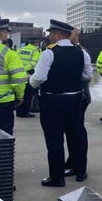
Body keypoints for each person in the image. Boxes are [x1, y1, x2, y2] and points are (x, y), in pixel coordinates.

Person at [30, 20, 92, 187]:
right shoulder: (82, 53)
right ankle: (80, 171)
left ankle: (57, 178)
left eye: (51, 33)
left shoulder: (49, 53)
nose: (49, 36)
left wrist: (31, 83)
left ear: (57, 34)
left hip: (52, 101)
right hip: (75, 100)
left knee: (54, 139)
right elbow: (87, 75)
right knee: (77, 135)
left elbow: (39, 77)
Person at [0, 19, 27, 135]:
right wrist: (20, 96)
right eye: (6, 32)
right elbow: (19, 80)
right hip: (2, 106)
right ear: (1, 33)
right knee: (1, 143)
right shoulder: (9, 53)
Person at [64, 28, 91, 178]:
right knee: (71, 131)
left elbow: (87, 76)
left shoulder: (80, 51)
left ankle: (79, 166)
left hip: (80, 97)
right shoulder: (72, 50)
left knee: (77, 132)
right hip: (75, 96)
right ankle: (73, 161)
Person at [16, 40, 41, 118]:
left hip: (18, 73)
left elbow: (15, 60)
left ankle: (18, 111)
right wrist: (25, 70)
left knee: (20, 92)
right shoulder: (35, 51)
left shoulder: (20, 49)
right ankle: (25, 112)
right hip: (28, 73)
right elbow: (34, 63)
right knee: (27, 93)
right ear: (35, 43)